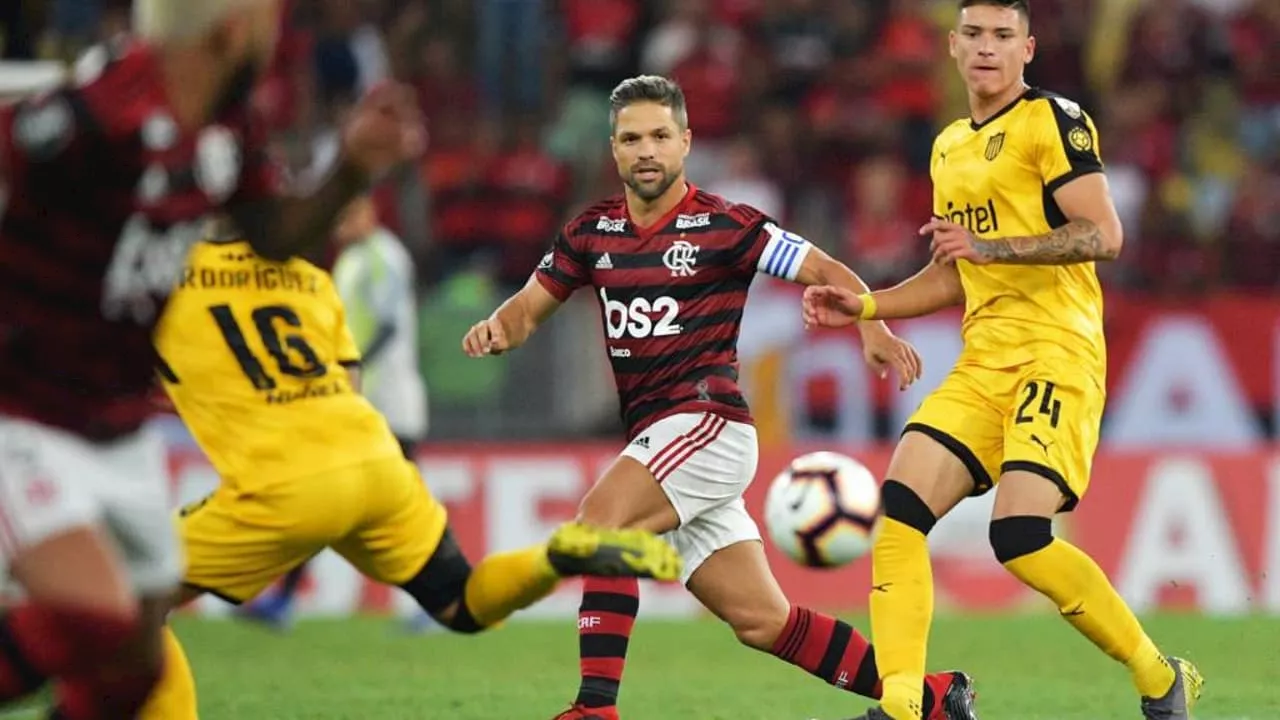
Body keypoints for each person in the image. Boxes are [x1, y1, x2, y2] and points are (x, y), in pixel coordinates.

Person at [463, 75, 978, 720]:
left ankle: (594, 709)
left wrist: (871, 326)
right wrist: (496, 330)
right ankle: (931, 699)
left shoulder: (724, 225)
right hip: (659, 441)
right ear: (614, 149)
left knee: (601, 524)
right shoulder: (591, 232)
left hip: (708, 423)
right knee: (762, 621)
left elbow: (824, 268)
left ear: (685, 141)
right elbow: (527, 311)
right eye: (631, 138)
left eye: (658, 136)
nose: (646, 150)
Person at [0, 0, 418, 716]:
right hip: (27, 409)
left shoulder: (229, 126)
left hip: (117, 424)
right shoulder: (89, 118)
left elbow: (277, 236)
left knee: (133, 662)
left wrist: (350, 169)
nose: (278, 32)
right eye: (269, 18)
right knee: (91, 619)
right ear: (232, 29)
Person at [801, 2, 1202, 719]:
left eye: (1003, 37)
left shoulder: (1055, 121)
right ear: (953, 48)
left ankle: (1158, 674)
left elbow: (1104, 234)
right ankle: (903, 705)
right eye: (975, 36)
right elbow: (955, 275)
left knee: (1018, 537)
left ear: (1028, 50)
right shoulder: (950, 144)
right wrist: (863, 307)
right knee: (900, 512)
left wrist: (992, 249)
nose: (987, 49)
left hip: (1058, 352)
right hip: (984, 361)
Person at [138, 227, 683, 719]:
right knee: (463, 602)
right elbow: (348, 383)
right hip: (375, 456)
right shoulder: (307, 278)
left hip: (289, 480)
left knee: (128, 607)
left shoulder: (161, 285)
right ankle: (556, 554)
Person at [235, 195, 430, 630]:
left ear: (369, 212)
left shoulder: (384, 256)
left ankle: (437, 603)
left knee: (402, 506)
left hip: (389, 403)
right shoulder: (353, 258)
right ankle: (285, 600)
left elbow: (388, 324)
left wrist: (348, 368)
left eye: (347, 215)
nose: (339, 225)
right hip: (357, 403)